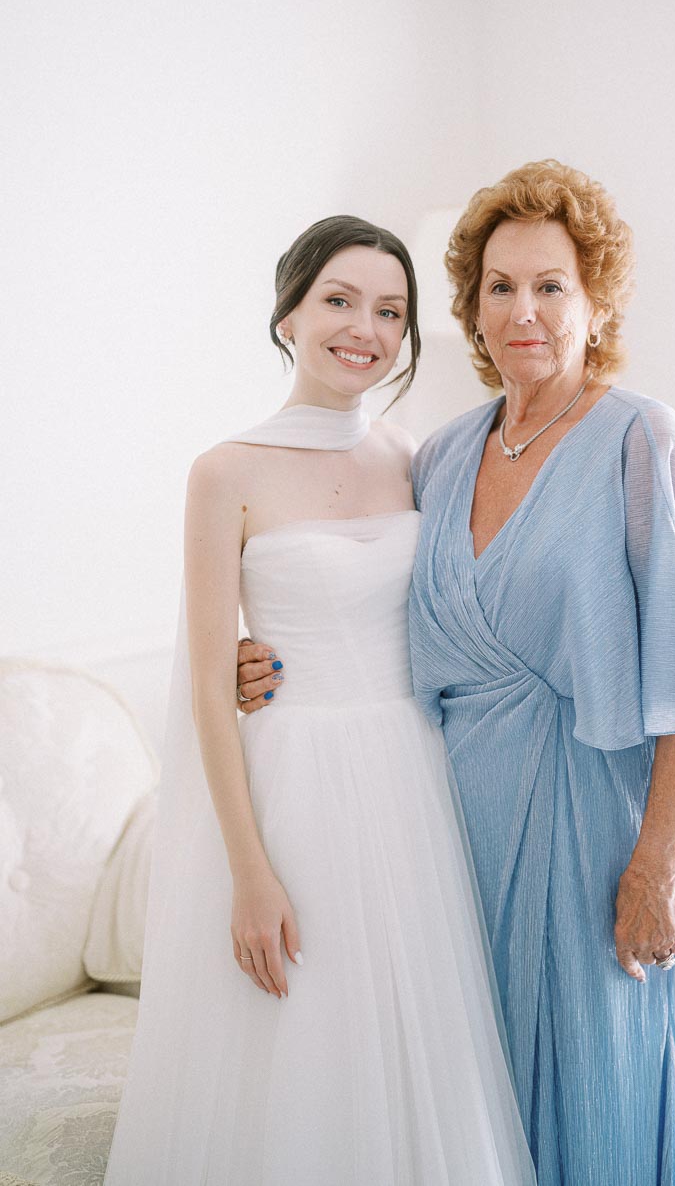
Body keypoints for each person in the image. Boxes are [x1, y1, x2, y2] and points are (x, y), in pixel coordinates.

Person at [239, 164, 675, 1185]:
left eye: (550, 285)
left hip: (597, 835)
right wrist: (257, 652)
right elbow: (368, 604)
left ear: (596, 300)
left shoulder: (643, 441)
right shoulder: (437, 457)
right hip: (450, 832)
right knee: (482, 1113)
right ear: (471, 311)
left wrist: (654, 868)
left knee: (603, 1092)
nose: (522, 311)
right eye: (498, 287)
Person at [105, 216, 535, 1185]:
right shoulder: (226, 472)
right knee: (307, 1038)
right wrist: (248, 874)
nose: (365, 329)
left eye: (391, 311)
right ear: (289, 313)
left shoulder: (413, 457)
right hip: (295, 784)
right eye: (340, 301)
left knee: (412, 1044)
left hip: (414, 779)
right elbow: (214, 692)